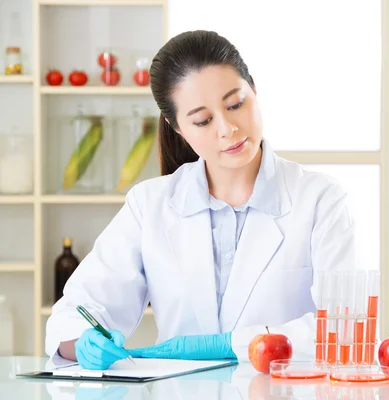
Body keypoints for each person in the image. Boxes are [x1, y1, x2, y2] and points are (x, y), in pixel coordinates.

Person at [45, 30, 356, 370]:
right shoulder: (150, 205)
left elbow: (346, 329)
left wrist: (229, 345)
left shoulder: (319, 200)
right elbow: (79, 309)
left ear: (254, 88)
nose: (227, 129)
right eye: (203, 121)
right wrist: (83, 341)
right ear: (176, 126)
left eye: (236, 104)